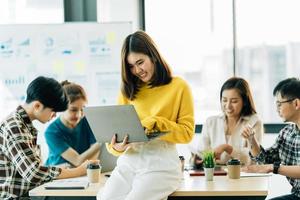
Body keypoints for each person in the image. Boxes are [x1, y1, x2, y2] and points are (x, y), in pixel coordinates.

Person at [98, 31, 195, 200]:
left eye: (140, 62)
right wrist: (116, 147)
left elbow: (187, 133)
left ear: (153, 56)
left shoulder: (179, 86)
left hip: (161, 164)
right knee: (105, 198)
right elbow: (113, 143)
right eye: (131, 66)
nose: (137, 70)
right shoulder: (128, 91)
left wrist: (156, 122)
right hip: (129, 162)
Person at [0, 76, 94, 199]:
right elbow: (33, 173)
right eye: (53, 110)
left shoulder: (24, 125)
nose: (54, 115)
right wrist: (78, 171)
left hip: (34, 193)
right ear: (37, 106)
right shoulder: (15, 127)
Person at [242, 77, 300, 200]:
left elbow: (269, 166)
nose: (276, 109)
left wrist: (273, 168)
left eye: (279, 104)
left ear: (296, 104)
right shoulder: (286, 133)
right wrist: (252, 139)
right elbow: (264, 160)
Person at [189, 77, 264, 166]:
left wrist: (227, 148)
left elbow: (254, 159)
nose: (228, 106)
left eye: (234, 101)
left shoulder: (254, 122)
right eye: (224, 100)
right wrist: (196, 160)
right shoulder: (211, 122)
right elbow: (201, 153)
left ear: (244, 101)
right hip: (215, 176)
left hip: (242, 176)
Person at [44, 80, 100, 167]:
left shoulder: (86, 121)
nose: (78, 115)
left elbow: (94, 158)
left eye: (82, 109)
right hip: (60, 175)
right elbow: (77, 161)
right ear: (62, 107)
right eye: (73, 110)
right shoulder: (51, 132)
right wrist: (102, 141)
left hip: (82, 173)